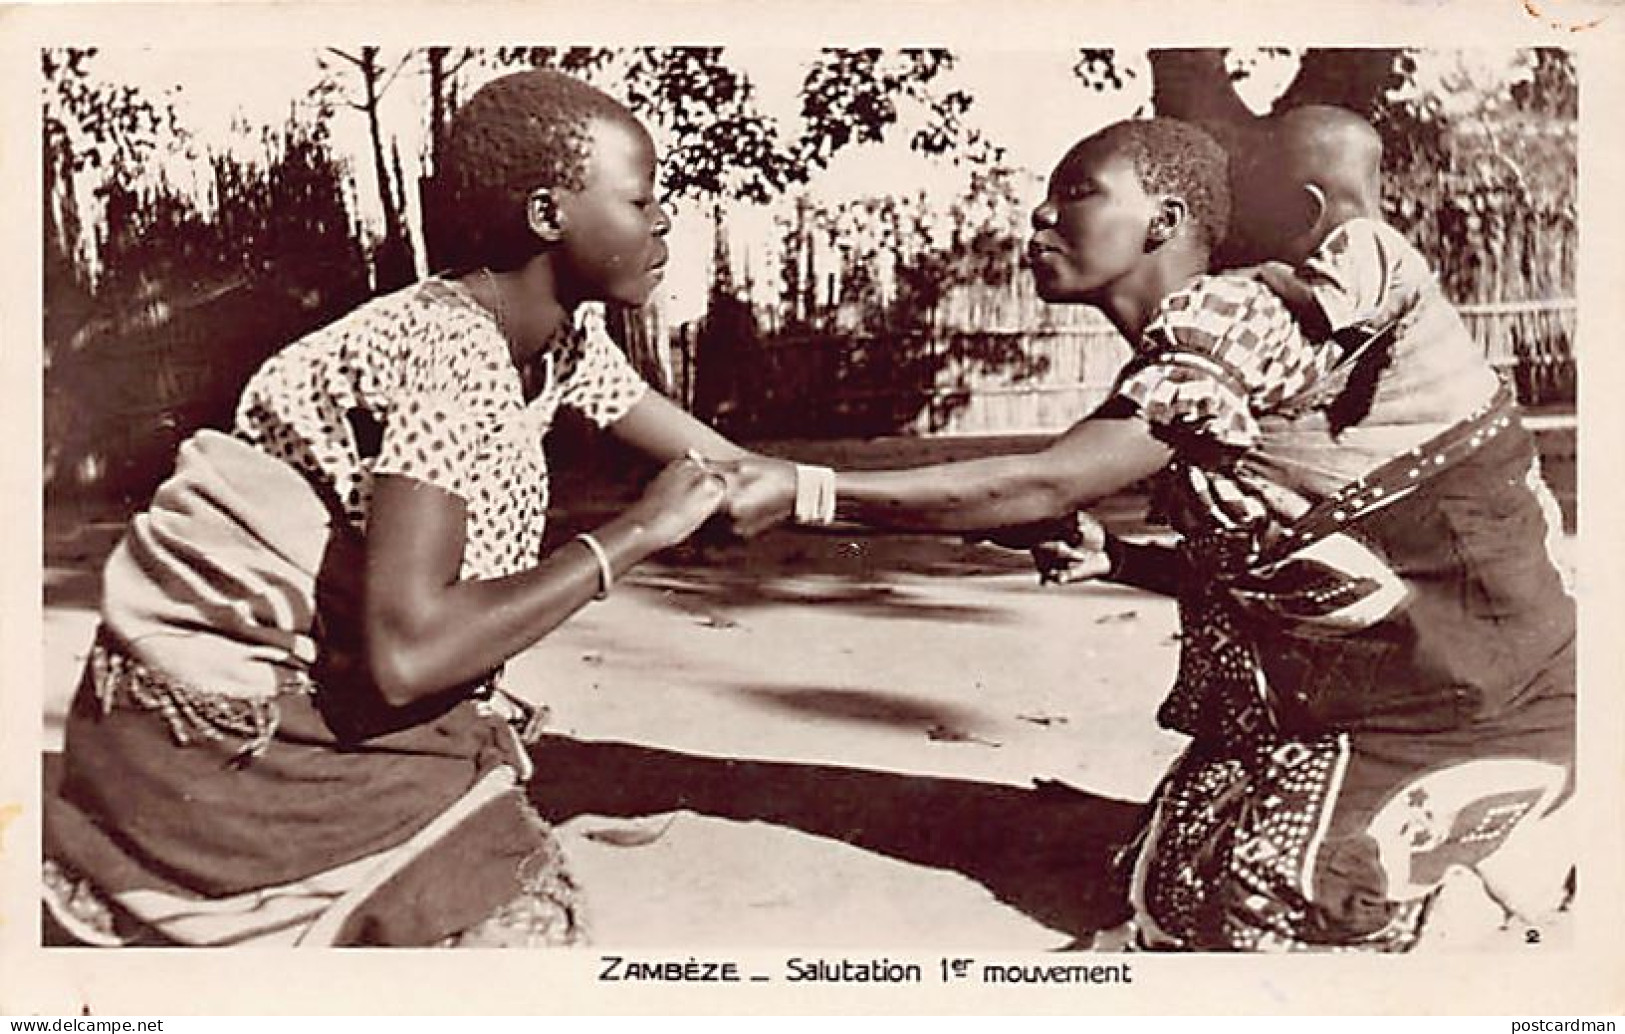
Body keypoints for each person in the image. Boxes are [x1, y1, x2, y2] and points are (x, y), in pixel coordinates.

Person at [721, 115, 1576, 951]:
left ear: (1161, 221)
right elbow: (1281, 568)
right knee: (1166, 871)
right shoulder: (1185, 368)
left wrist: (807, 491)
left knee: (1253, 910)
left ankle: (1505, 859)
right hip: (1388, 685)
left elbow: (1042, 479)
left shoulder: (1232, 322)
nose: (1040, 217)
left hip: (1473, 699)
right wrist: (1115, 556)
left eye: (1077, 193)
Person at [42, 68, 796, 948]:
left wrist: (848, 498)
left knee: (477, 823)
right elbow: (407, 655)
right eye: (640, 199)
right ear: (549, 217)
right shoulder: (450, 354)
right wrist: (633, 535)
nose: (664, 219)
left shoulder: (561, 340)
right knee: (518, 922)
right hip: (224, 722)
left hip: (313, 672)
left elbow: (729, 467)